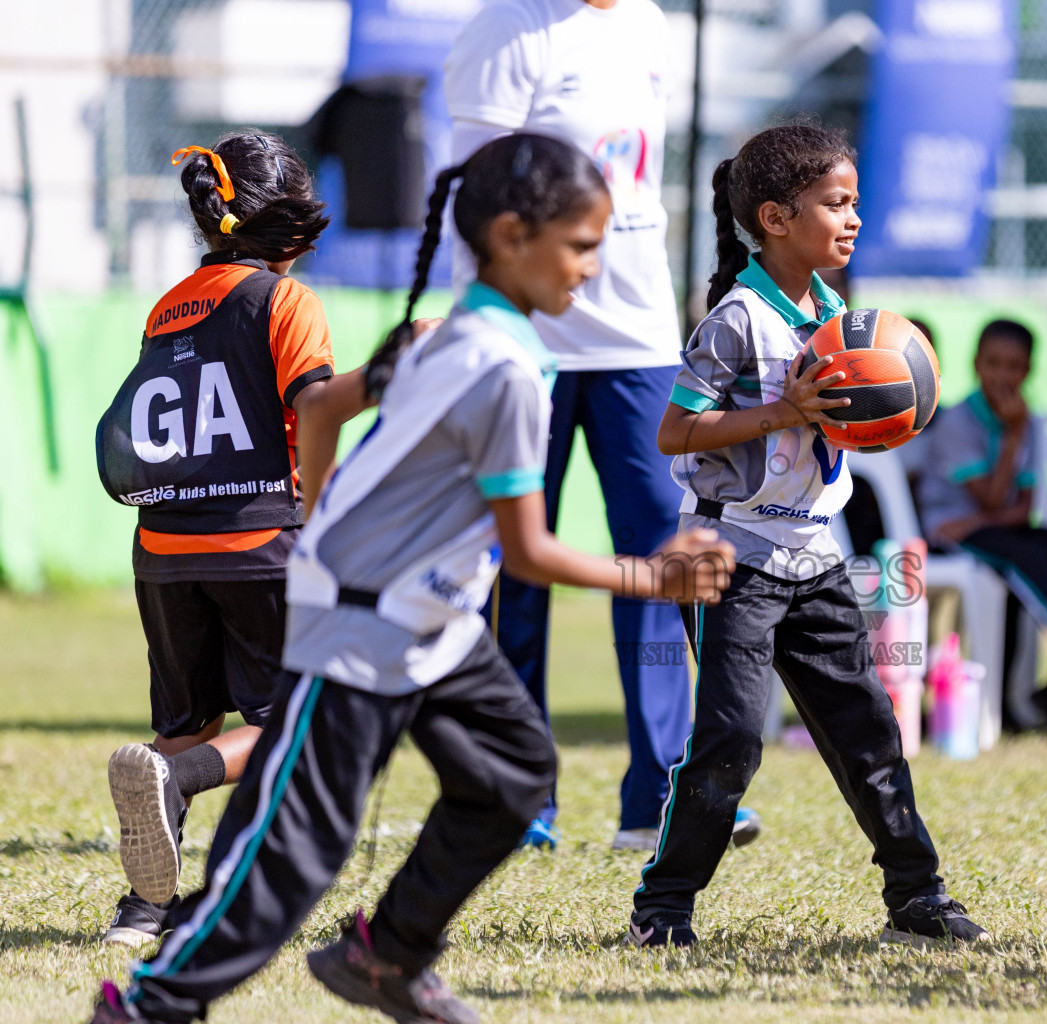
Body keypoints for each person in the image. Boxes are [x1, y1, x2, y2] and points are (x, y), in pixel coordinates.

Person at [86, 132, 736, 1024]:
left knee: (514, 769)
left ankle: (385, 956)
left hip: (433, 614)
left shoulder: (465, 327)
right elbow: (529, 553)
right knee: (295, 852)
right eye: (585, 244)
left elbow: (320, 409)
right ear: (511, 237)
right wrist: (652, 577)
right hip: (365, 618)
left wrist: (309, 514)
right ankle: (152, 1004)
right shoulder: (502, 365)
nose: (597, 266)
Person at [627, 124, 985, 948]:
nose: (853, 218)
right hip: (733, 558)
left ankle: (916, 896)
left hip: (816, 554)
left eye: (855, 202)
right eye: (836, 203)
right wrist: (780, 412)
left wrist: (889, 413)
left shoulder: (842, 317)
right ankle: (664, 908)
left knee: (868, 729)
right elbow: (675, 434)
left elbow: (844, 430)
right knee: (730, 740)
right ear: (777, 217)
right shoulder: (737, 319)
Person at [443, 0, 743, 853]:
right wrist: (484, 331)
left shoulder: (648, 23)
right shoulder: (507, 29)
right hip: (526, 341)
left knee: (663, 558)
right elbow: (473, 201)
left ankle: (661, 791)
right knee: (513, 567)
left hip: (640, 342)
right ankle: (517, 794)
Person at [92, 132, 334, 947]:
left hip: (161, 550)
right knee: (296, 721)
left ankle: (144, 910)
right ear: (291, 227)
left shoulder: (171, 303)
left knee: (186, 717)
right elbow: (318, 407)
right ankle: (175, 783)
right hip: (260, 542)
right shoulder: (284, 302)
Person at [914, 318, 1047, 735]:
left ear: (1028, 371)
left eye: (1014, 367)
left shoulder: (1027, 422)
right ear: (976, 365)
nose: (1003, 376)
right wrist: (1014, 437)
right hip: (950, 535)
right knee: (1026, 556)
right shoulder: (959, 423)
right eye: (994, 364)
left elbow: (1023, 511)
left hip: (989, 527)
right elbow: (995, 500)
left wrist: (989, 514)